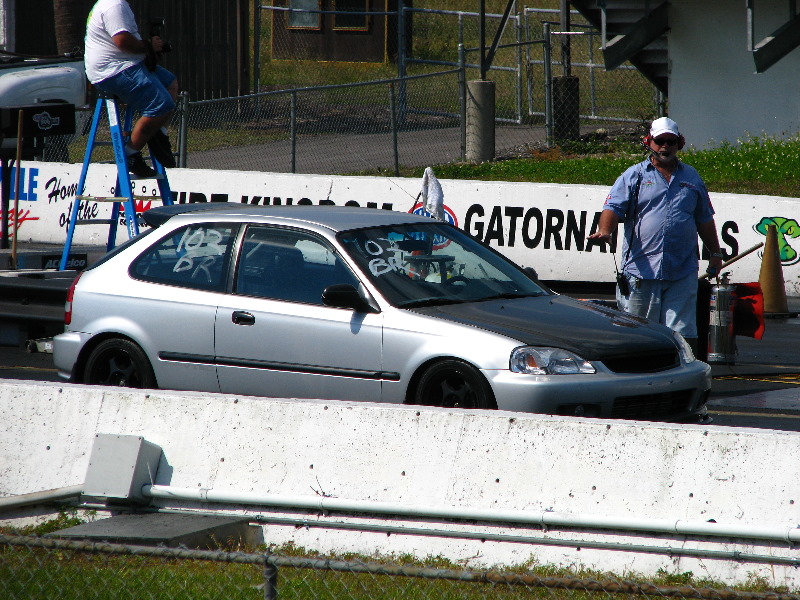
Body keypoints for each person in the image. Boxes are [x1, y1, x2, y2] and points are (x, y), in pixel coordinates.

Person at [587, 117, 724, 354]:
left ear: (679, 143)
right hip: (642, 272)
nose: (665, 146)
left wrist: (715, 252)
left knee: (682, 333)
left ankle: (681, 378)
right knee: (637, 331)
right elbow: (611, 208)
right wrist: (605, 231)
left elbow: (704, 218)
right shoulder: (634, 176)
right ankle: (636, 380)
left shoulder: (692, 178)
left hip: (681, 271)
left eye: (671, 141)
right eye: (660, 141)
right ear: (649, 142)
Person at [84, 0, 178, 177]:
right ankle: (130, 154)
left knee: (170, 83)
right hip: (113, 70)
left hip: (126, 64)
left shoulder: (118, 4)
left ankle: (158, 133)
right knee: (162, 105)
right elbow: (122, 41)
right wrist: (149, 46)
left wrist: (150, 50)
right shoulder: (114, 5)